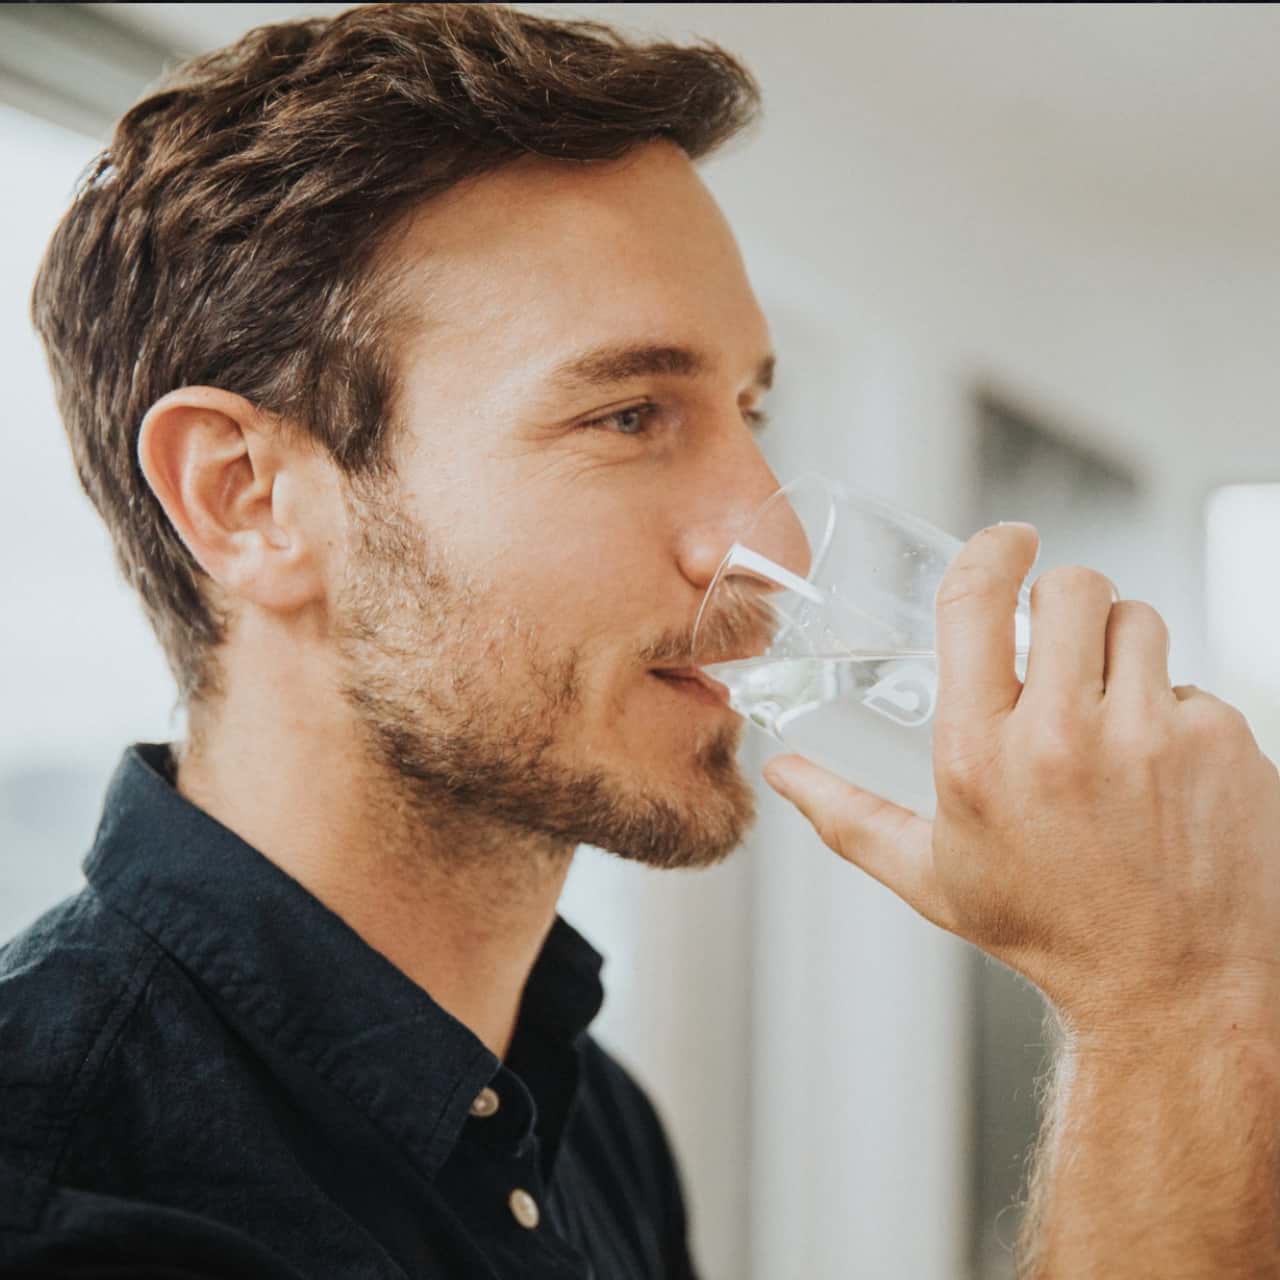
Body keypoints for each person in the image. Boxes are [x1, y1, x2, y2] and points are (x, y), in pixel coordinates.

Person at [3, 3, 1278, 1277]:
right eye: (626, 414)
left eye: (747, 408)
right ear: (247, 496)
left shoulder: (588, 1116)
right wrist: (1164, 1014)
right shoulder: (61, 1193)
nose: (765, 525)